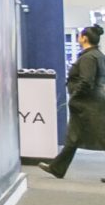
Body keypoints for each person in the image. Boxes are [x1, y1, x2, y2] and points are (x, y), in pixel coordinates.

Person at [39, 24, 105, 180]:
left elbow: (86, 81)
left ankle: (57, 168)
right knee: (73, 136)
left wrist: (74, 96)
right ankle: (57, 168)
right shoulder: (97, 55)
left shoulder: (88, 58)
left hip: (87, 104)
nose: (78, 38)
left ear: (84, 38)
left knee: (98, 136)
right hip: (90, 102)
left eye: (80, 35)